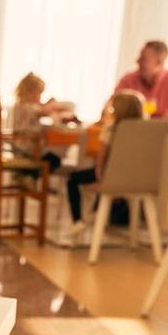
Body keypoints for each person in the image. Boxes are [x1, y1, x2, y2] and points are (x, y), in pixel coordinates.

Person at [65, 90, 147, 242]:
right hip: (140, 181)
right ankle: (95, 211)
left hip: (112, 178)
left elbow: (101, 158)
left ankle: (78, 220)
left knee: (72, 178)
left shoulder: (111, 129)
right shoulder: (147, 131)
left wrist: (101, 181)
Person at [113, 40, 168, 122]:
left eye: (143, 59)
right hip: (132, 132)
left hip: (163, 134)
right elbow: (111, 105)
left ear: (158, 63)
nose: (137, 61)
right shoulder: (129, 80)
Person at [12, 72, 75, 172]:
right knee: (55, 159)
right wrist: (53, 105)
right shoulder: (27, 107)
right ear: (29, 92)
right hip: (26, 150)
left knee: (53, 156)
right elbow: (43, 111)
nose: (40, 97)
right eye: (39, 93)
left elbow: (42, 109)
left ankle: (29, 177)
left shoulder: (21, 105)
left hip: (23, 147)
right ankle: (31, 176)